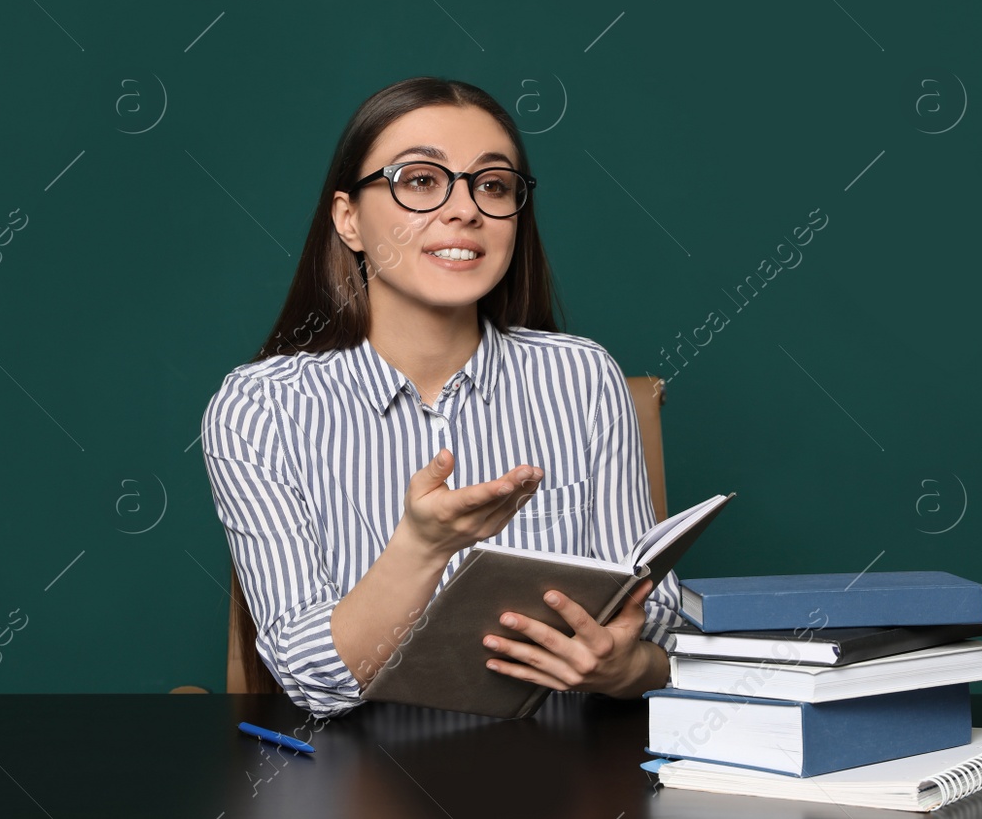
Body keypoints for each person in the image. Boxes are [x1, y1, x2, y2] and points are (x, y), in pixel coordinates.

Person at [200, 76, 679, 717]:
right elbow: (310, 680)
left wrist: (625, 669)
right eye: (421, 180)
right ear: (349, 219)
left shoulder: (583, 378)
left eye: (493, 185)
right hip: (359, 784)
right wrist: (421, 549)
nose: (465, 210)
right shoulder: (260, 410)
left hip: (559, 775)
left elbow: (662, 626)